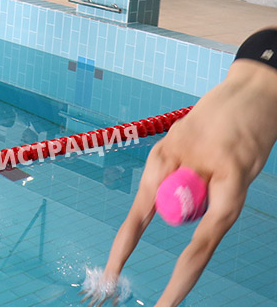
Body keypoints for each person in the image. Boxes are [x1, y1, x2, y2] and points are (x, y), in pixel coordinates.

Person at [86, 28, 277, 307]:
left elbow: (199, 249)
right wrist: (108, 276)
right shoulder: (166, 154)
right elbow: (137, 219)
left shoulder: (227, 177)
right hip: (255, 46)